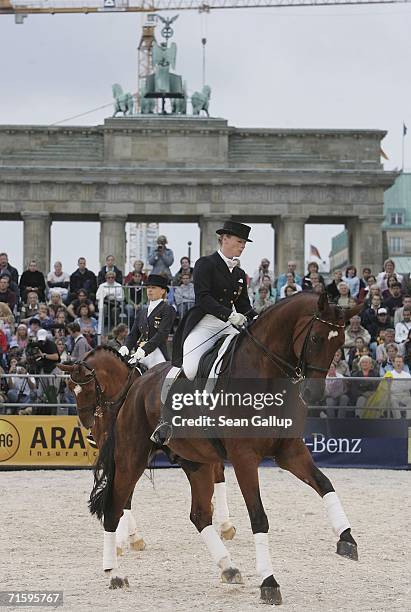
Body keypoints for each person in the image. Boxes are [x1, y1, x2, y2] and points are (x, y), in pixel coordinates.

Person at [173, 221, 256, 380]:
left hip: (228, 326)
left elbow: (243, 304)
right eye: (239, 241)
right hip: (205, 324)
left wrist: (258, 317)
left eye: (244, 243)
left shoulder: (240, 273)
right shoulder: (205, 264)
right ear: (225, 239)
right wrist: (230, 315)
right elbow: (203, 298)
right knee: (190, 369)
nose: (243, 246)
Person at [119, 274, 175, 369]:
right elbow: (133, 334)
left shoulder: (167, 309)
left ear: (162, 291)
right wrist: (126, 346)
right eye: (148, 287)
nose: (149, 290)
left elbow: (162, 333)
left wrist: (145, 349)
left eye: (153, 288)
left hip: (157, 352)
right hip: (140, 352)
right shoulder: (142, 312)